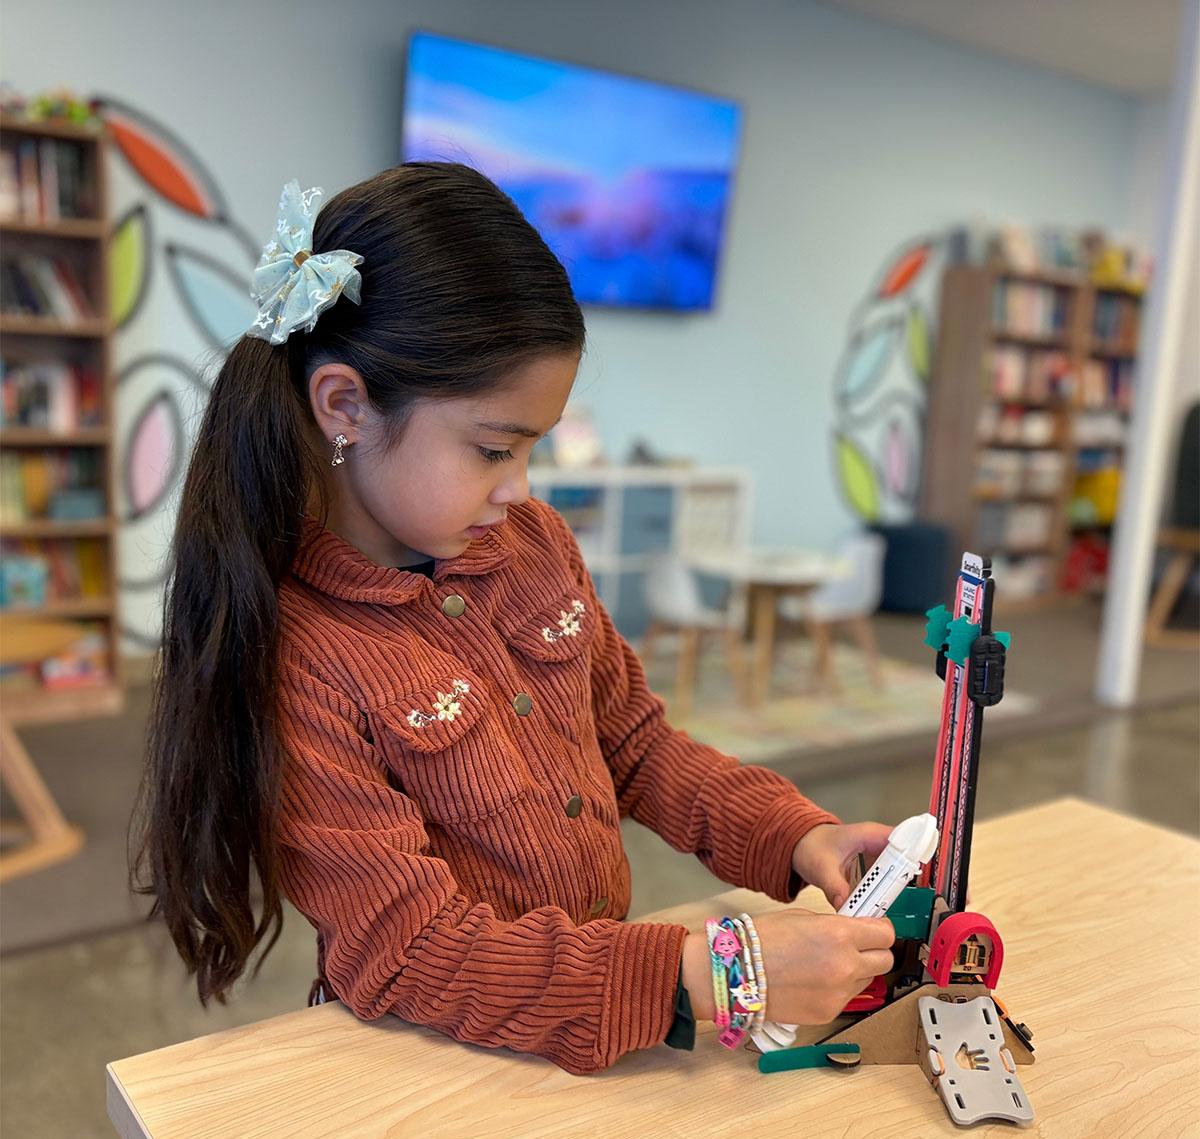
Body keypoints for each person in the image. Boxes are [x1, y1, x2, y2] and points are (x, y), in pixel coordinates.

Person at [130, 164, 895, 1075]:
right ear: (345, 406)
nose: (521, 489)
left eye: (533, 448)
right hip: (438, 1068)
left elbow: (635, 745)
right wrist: (717, 972)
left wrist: (792, 834)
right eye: (494, 449)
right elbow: (413, 952)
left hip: (597, 1037)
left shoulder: (533, 545)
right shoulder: (301, 654)